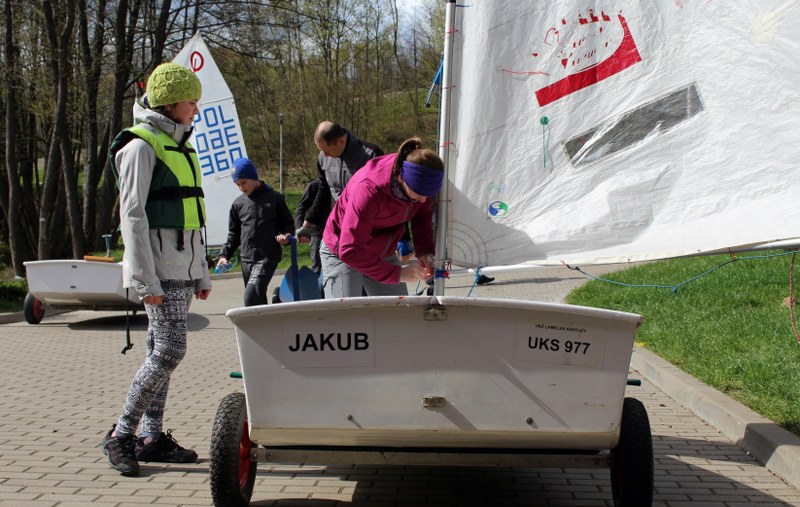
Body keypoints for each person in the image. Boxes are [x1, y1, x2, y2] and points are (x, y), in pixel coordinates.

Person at [103, 62, 212, 476]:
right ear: (169, 103)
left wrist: (201, 272)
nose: (196, 109)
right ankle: (121, 434)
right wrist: (145, 280)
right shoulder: (140, 146)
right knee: (170, 351)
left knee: (158, 352)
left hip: (182, 270)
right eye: (191, 102)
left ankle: (151, 437)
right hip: (158, 272)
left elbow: (193, 219)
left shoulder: (182, 147)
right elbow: (132, 217)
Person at [320, 137, 444, 297]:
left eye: (429, 194)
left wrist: (425, 252)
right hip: (342, 251)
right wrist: (399, 274)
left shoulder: (422, 184)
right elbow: (349, 249)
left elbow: (422, 217)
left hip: (381, 250)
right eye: (419, 194)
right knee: (346, 310)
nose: (423, 200)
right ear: (401, 178)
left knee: (397, 308)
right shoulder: (368, 189)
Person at [216, 157, 295, 306]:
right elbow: (233, 235)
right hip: (246, 258)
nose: (241, 187)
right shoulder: (238, 203)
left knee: (251, 296)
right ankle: (270, 316)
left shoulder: (275, 198)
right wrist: (224, 255)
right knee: (256, 301)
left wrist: (286, 237)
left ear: (254, 177)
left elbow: (287, 225)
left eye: (244, 182)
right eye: (237, 184)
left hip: (267, 256)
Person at [296, 121, 383, 237]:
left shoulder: (371, 155)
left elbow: (384, 195)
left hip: (366, 228)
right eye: (321, 150)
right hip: (337, 226)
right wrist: (308, 223)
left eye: (327, 151)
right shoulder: (323, 157)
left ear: (341, 141)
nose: (324, 155)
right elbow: (323, 191)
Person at [294, 178, 325, 274]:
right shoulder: (314, 186)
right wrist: (300, 229)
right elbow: (301, 208)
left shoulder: (336, 185)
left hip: (334, 232)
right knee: (318, 267)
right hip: (317, 233)